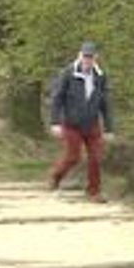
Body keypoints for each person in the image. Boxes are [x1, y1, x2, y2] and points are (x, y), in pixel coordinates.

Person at [49, 41, 115, 203]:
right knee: (73, 156)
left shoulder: (100, 76)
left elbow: (105, 103)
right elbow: (57, 98)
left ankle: (94, 191)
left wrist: (109, 128)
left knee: (96, 158)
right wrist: (55, 122)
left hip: (92, 123)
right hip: (71, 123)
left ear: (95, 58)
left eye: (90, 57)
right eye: (85, 56)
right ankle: (56, 176)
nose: (87, 60)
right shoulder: (68, 73)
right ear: (80, 56)